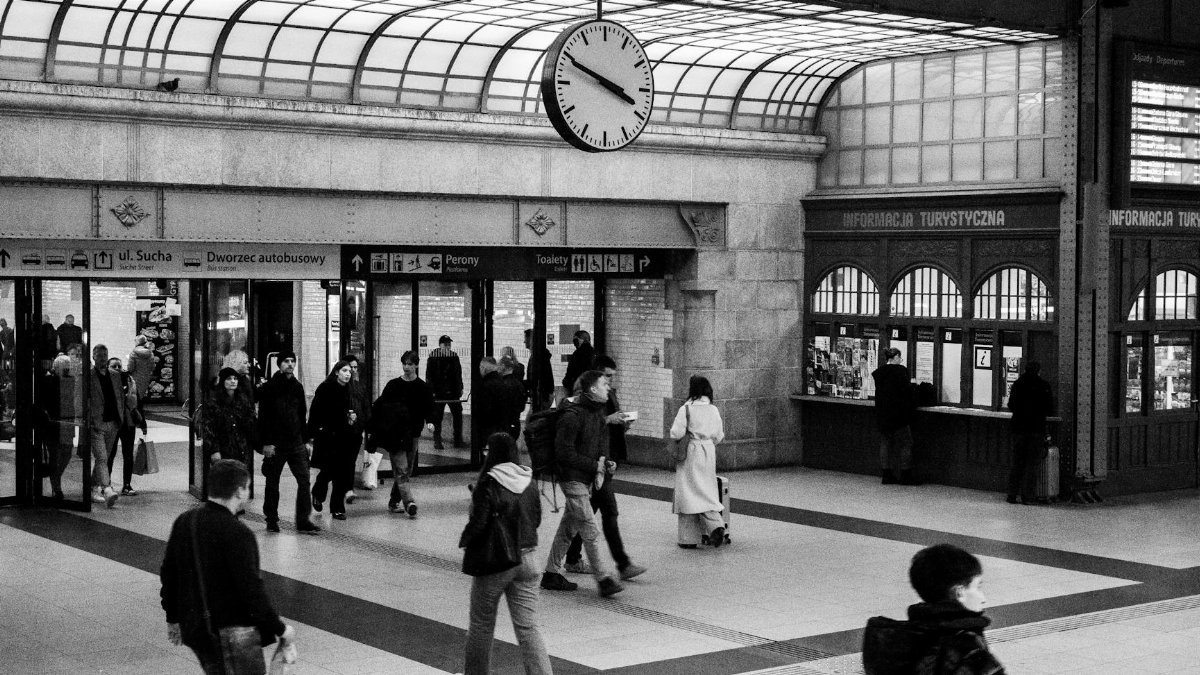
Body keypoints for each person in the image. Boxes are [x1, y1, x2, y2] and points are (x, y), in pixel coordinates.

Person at [160, 460, 298, 674]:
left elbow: (169, 573)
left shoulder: (186, 521)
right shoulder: (238, 532)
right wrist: (279, 628)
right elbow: (251, 589)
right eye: (248, 486)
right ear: (240, 491)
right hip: (233, 632)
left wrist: (173, 617)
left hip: (197, 628)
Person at [459, 433, 552, 675]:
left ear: (495, 454)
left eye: (488, 450)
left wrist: (466, 539)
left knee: (481, 624)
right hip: (530, 560)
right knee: (528, 627)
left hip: (498, 561)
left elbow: (479, 525)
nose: (485, 454)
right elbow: (537, 519)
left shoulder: (488, 483)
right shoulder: (529, 481)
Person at [541, 370, 624, 597]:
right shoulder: (572, 415)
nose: (609, 387)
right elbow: (564, 453)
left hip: (584, 477)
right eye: (604, 384)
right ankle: (604, 579)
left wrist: (607, 463)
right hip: (572, 478)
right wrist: (593, 465)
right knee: (590, 529)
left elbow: (598, 447)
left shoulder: (596, 413)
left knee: (568, 528)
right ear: (592, 389)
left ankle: (551, 573)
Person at [862, 543, 1004, 675]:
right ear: (959, 592)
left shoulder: (892, 642)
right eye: (978, 587)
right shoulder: (968, 650)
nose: (983, 597)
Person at [564, 355, 647, 580]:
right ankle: (620, 565)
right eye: (607, 378)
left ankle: (571, 558)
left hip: (604, 461)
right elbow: (588, 428)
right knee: (606, 511)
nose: (610, 384)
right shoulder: (586, 401)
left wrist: (622, 425)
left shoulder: (607, 396)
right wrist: (609, 420)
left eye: (611, 379)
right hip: (594, 465)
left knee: (584, 516)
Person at [257, 351, 320, 534]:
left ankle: (303, 520)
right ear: (279, 364)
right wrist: (266, 444)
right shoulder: (269, 388)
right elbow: (264, 418)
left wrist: (306, 440)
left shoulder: (297, 387)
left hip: (296, 443)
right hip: (276, 443)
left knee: (304, 480)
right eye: (286, 361)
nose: (290, 364)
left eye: (293, 361)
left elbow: (302, 415)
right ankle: (271, 518)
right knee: (272, 481)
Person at [368, 350, 435, 517]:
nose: (406, 367)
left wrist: (431, 421)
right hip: (395, 434)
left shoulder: (423, 387)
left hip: (413, 433)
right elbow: (380, 405)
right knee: (402, 469)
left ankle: (393, 501)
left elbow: (429, 407)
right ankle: (409, 502)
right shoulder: (393, 385)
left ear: (416, 365)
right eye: (404, 363)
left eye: (410, 364)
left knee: (407, 469)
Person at [669, 374, 726, 549]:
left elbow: (676, 433)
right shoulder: (713, 409)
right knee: (706, 491)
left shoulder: (686, 408)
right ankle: (716, 525)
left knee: (688, 493)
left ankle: (688, 539)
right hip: (708, 451)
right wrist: (707, 443)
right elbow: (718, 435)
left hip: (691, 452)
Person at [308, 360, 364, 521]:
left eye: (349, 371)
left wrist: (352, 419)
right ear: (336, 372)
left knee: (341, 472)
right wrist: (312, 434)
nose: (348, 374)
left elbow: (351, 410)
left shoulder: (349, 390)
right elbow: (316, 412)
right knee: (328, 470)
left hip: (344, 436)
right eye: (344, 370)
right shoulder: (325, 388)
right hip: (327, 437)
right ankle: (318, 493)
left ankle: (337, 508)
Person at [87, 345, 131, 507]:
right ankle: (107, 489)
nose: (102, 358)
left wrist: (120, 418)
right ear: (93, 357)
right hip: (96, 424)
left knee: (103, 459)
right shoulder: (88, 376)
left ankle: (92, 487)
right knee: (102, 457)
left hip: (113, 423)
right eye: (99, 355)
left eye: (105, 355)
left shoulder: (115, 375)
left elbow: (120, 396)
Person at [1005, 361, 1054, 505]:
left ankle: (1012, 495)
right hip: (1036, 429)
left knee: (1017, 463)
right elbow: (1049, 408)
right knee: (1031, 464)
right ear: (1039, 371)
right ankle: (1028, 497)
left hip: (1019, 429)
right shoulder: (1043, 386)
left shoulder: (1017, 384)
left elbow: (1011, 405)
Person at [872, 347, 919, 485]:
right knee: (906, 443)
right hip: (899, 415)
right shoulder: (901, 371)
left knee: (885, 443)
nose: (901, 360)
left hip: (883, 414)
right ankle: (906, 475)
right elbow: (907, 392)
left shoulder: (879, 373)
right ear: (895, 357)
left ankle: (886, 475)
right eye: (900, 357)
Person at [104, 357, 147, 497]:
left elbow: (138, 402)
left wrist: (142, 422)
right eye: (113, 366)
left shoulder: (130, 381)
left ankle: (127, 485)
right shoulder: (106, 382)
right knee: (109, 454)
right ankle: (106, 484)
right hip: (113, 423)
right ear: (108, 367)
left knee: (128, 455)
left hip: (128, 423)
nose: (117, 368)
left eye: (119, 366)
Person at [200, 368, 259, 466]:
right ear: (222, 381)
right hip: (223, 451)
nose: (233, 381)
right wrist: (214, 450)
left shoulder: (243, 401)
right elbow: (208, 429)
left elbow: (251, 424)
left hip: (242, 450)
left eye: (235, 379)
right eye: (229, 379)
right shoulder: (213, 403)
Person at [341, 354, 371, 505]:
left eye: (355, 368)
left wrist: (366, 425)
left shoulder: (360, 386)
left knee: (351, 460)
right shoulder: (338, 387)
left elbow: (366, 407)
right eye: (349, 368)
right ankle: (344, 488)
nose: (353, 371)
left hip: (356, 430)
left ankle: (348, 489)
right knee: (343, 460)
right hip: (341, 430)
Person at [426, 335, 464, 449]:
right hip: (439, 391)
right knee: (437, 417)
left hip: (452, 391)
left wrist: (460, 387)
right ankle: (437, 440)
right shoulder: (433, 357)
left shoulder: (454, 356)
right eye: (445, 344)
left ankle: (457, 439)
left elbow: (458, 373)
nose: (448, 346)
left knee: (457, 415)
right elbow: (429, 375)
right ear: (440, 345)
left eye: (449, 344)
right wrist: (431, 391)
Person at [476, 356, 523, 441]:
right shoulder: (515, 384)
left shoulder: (488, 385)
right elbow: (519, 406)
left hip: (496, 426)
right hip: (511, 423)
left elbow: (486, 409)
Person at [524, 329, 554, 412]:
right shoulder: (538, 355)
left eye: (526, 338)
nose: (524, 341)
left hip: (541, 395)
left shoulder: (538, 357)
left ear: (531, 339)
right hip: (542, 394)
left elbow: (540, 377)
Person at [126, 335, 156, 407]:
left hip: (135, 377)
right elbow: (152, 367)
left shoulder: (133, 353)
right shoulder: (150, 353)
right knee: (141, 395)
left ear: (137, 342)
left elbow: (130, 368)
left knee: (134, 395)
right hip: (146, 377)